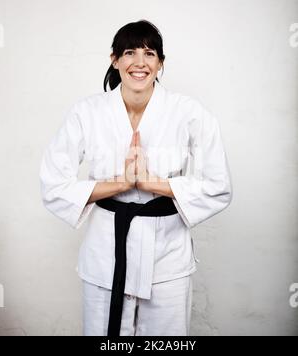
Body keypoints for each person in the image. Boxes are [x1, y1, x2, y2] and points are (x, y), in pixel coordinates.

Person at [39, 19, 232, 336]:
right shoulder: (86, 113)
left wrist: (149, 182)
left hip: (167, 260)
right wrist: (120, 183)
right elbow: (53, 185)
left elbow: (218, 186)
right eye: (129, 52)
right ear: (114, 60)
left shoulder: (189, 112)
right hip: (105, 257)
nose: (139, 63)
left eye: (149, 53)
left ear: (160, 63)